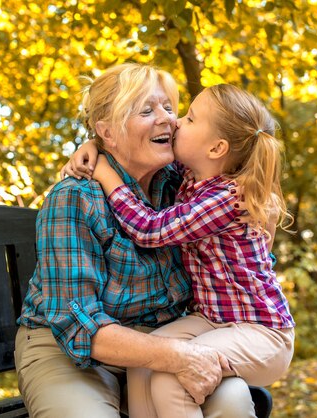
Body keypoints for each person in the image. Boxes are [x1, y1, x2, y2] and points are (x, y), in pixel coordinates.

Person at [15, 63, 257, 418]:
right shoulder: (75, 198)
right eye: (146, 110)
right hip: (72, 350)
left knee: (232, 400)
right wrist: (177, 356)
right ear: (108, 132)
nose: (169, 121)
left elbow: (247, 146)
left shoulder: (185, 183)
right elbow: (75, 320)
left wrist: (94, 144)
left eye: (170, 108)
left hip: (163, 341)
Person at [64, 83, 295, 418]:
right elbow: (130, 148)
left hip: (261, 332)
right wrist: (95, 145)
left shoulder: (227, 197)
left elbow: (149, 229)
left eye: (189, 118)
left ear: (216, 148)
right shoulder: (192, 178)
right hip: (212, 320)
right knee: (143, 363)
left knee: (171, 379)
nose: (175, 123)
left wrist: (103, 171)